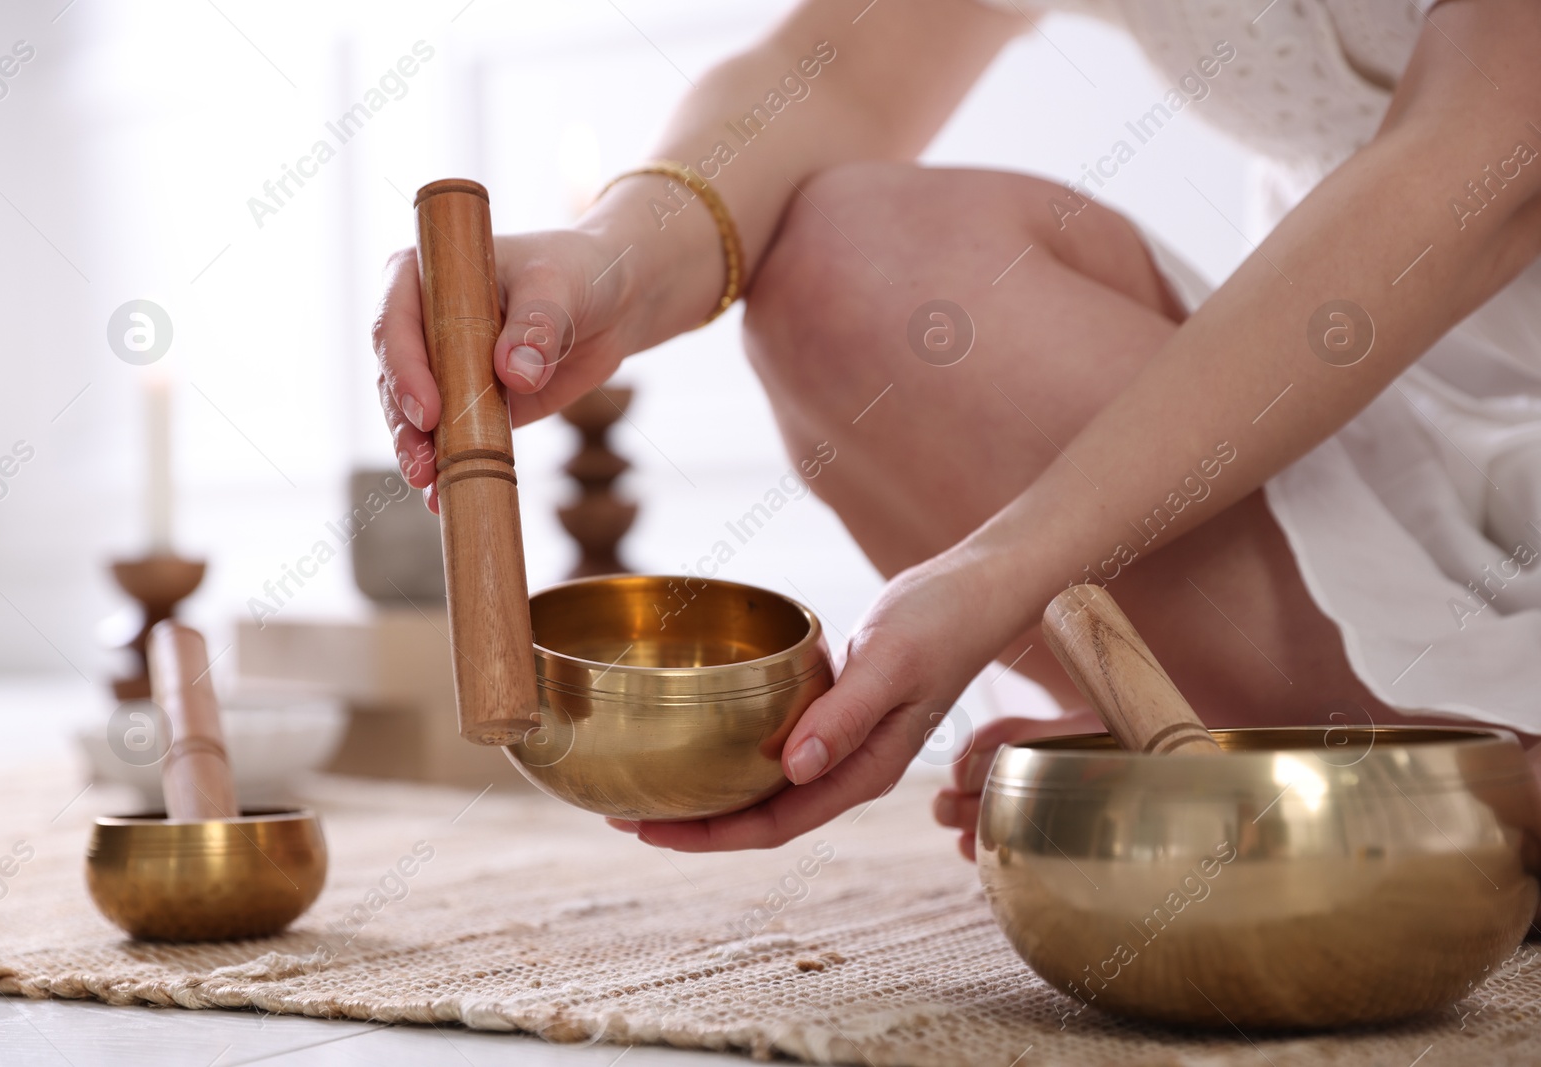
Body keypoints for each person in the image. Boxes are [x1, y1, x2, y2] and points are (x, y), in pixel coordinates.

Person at [374, 0, 1541, 860]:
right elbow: (834, 75)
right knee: (854, 261)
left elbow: (1482, 167)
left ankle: (1398, 783)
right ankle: (1356, 766)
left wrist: (1007, 569)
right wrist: (612, 261)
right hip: (1344, 413)